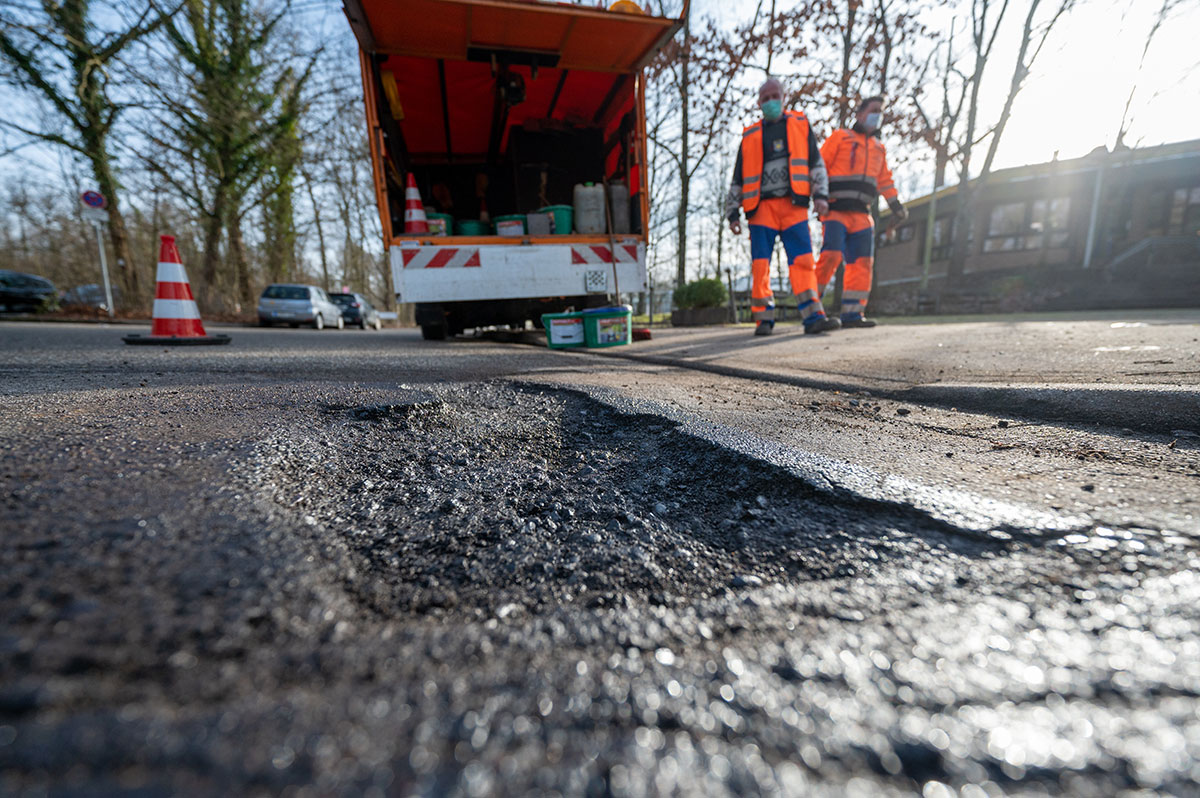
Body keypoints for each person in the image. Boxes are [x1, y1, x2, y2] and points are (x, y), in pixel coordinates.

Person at [726, 78, 839, 336]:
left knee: (803, 261)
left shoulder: (800, 125)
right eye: (765, 98)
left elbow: (816, 164)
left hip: (794, 206)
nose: (770, 102)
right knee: (760, 264)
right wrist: (732, 213)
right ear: (758, 102)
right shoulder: (750, 136)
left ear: (784, 97)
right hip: (760, 209)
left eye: (774, 96)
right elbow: (737, 178)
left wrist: (821, 195)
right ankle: (763, 319)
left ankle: (813, 316)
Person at [816, 96, 907, 328]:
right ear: (860, 114)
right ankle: (812, 309)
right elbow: (820, 166)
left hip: (862, 214)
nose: (878, 115)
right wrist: (819, 197)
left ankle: (853, 314)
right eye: (874, 110)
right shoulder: (841, 137)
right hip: (835, 209)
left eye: (881, 111)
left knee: (862, 263)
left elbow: (884, 180)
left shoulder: (879, 148)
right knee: (831, 256)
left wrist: (895, 205)